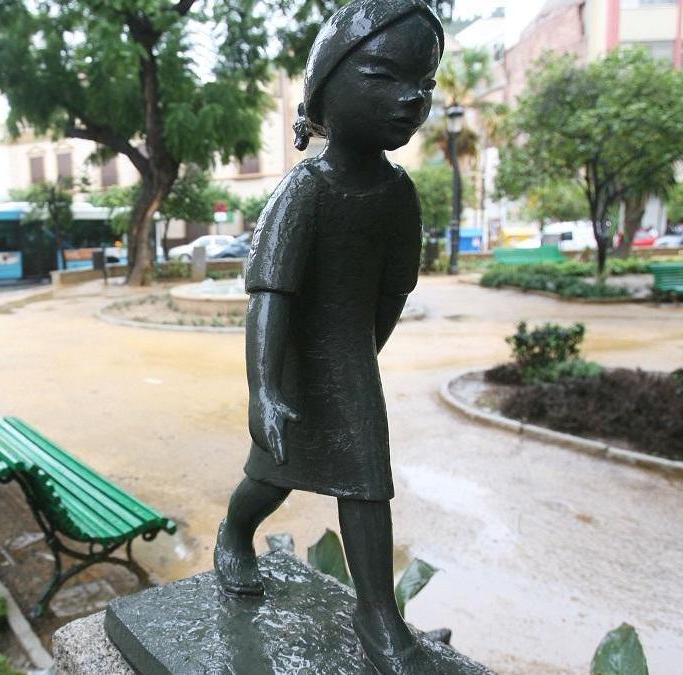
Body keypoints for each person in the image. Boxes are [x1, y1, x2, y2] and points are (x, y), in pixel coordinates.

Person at [212, 1, 443, 673]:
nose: (411, 98)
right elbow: (269, 298)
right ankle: (234, 532)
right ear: (325, 90)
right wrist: (265, 389)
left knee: (367, 479)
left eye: (424, 84)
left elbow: (394, 289)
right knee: (271, 475)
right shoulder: (304, 190)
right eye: (384, 74)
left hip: (350, 359)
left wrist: (361, 358)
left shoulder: (399, 196)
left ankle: (376, 613)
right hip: (292, 364)